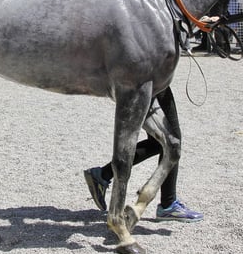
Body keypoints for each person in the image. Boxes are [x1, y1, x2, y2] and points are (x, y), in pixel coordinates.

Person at [83, 88, 203, 222]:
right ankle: (168, 204)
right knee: (172, 140)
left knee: (159, 143)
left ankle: (102, 174)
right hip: (146, 81)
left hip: (148, 81)